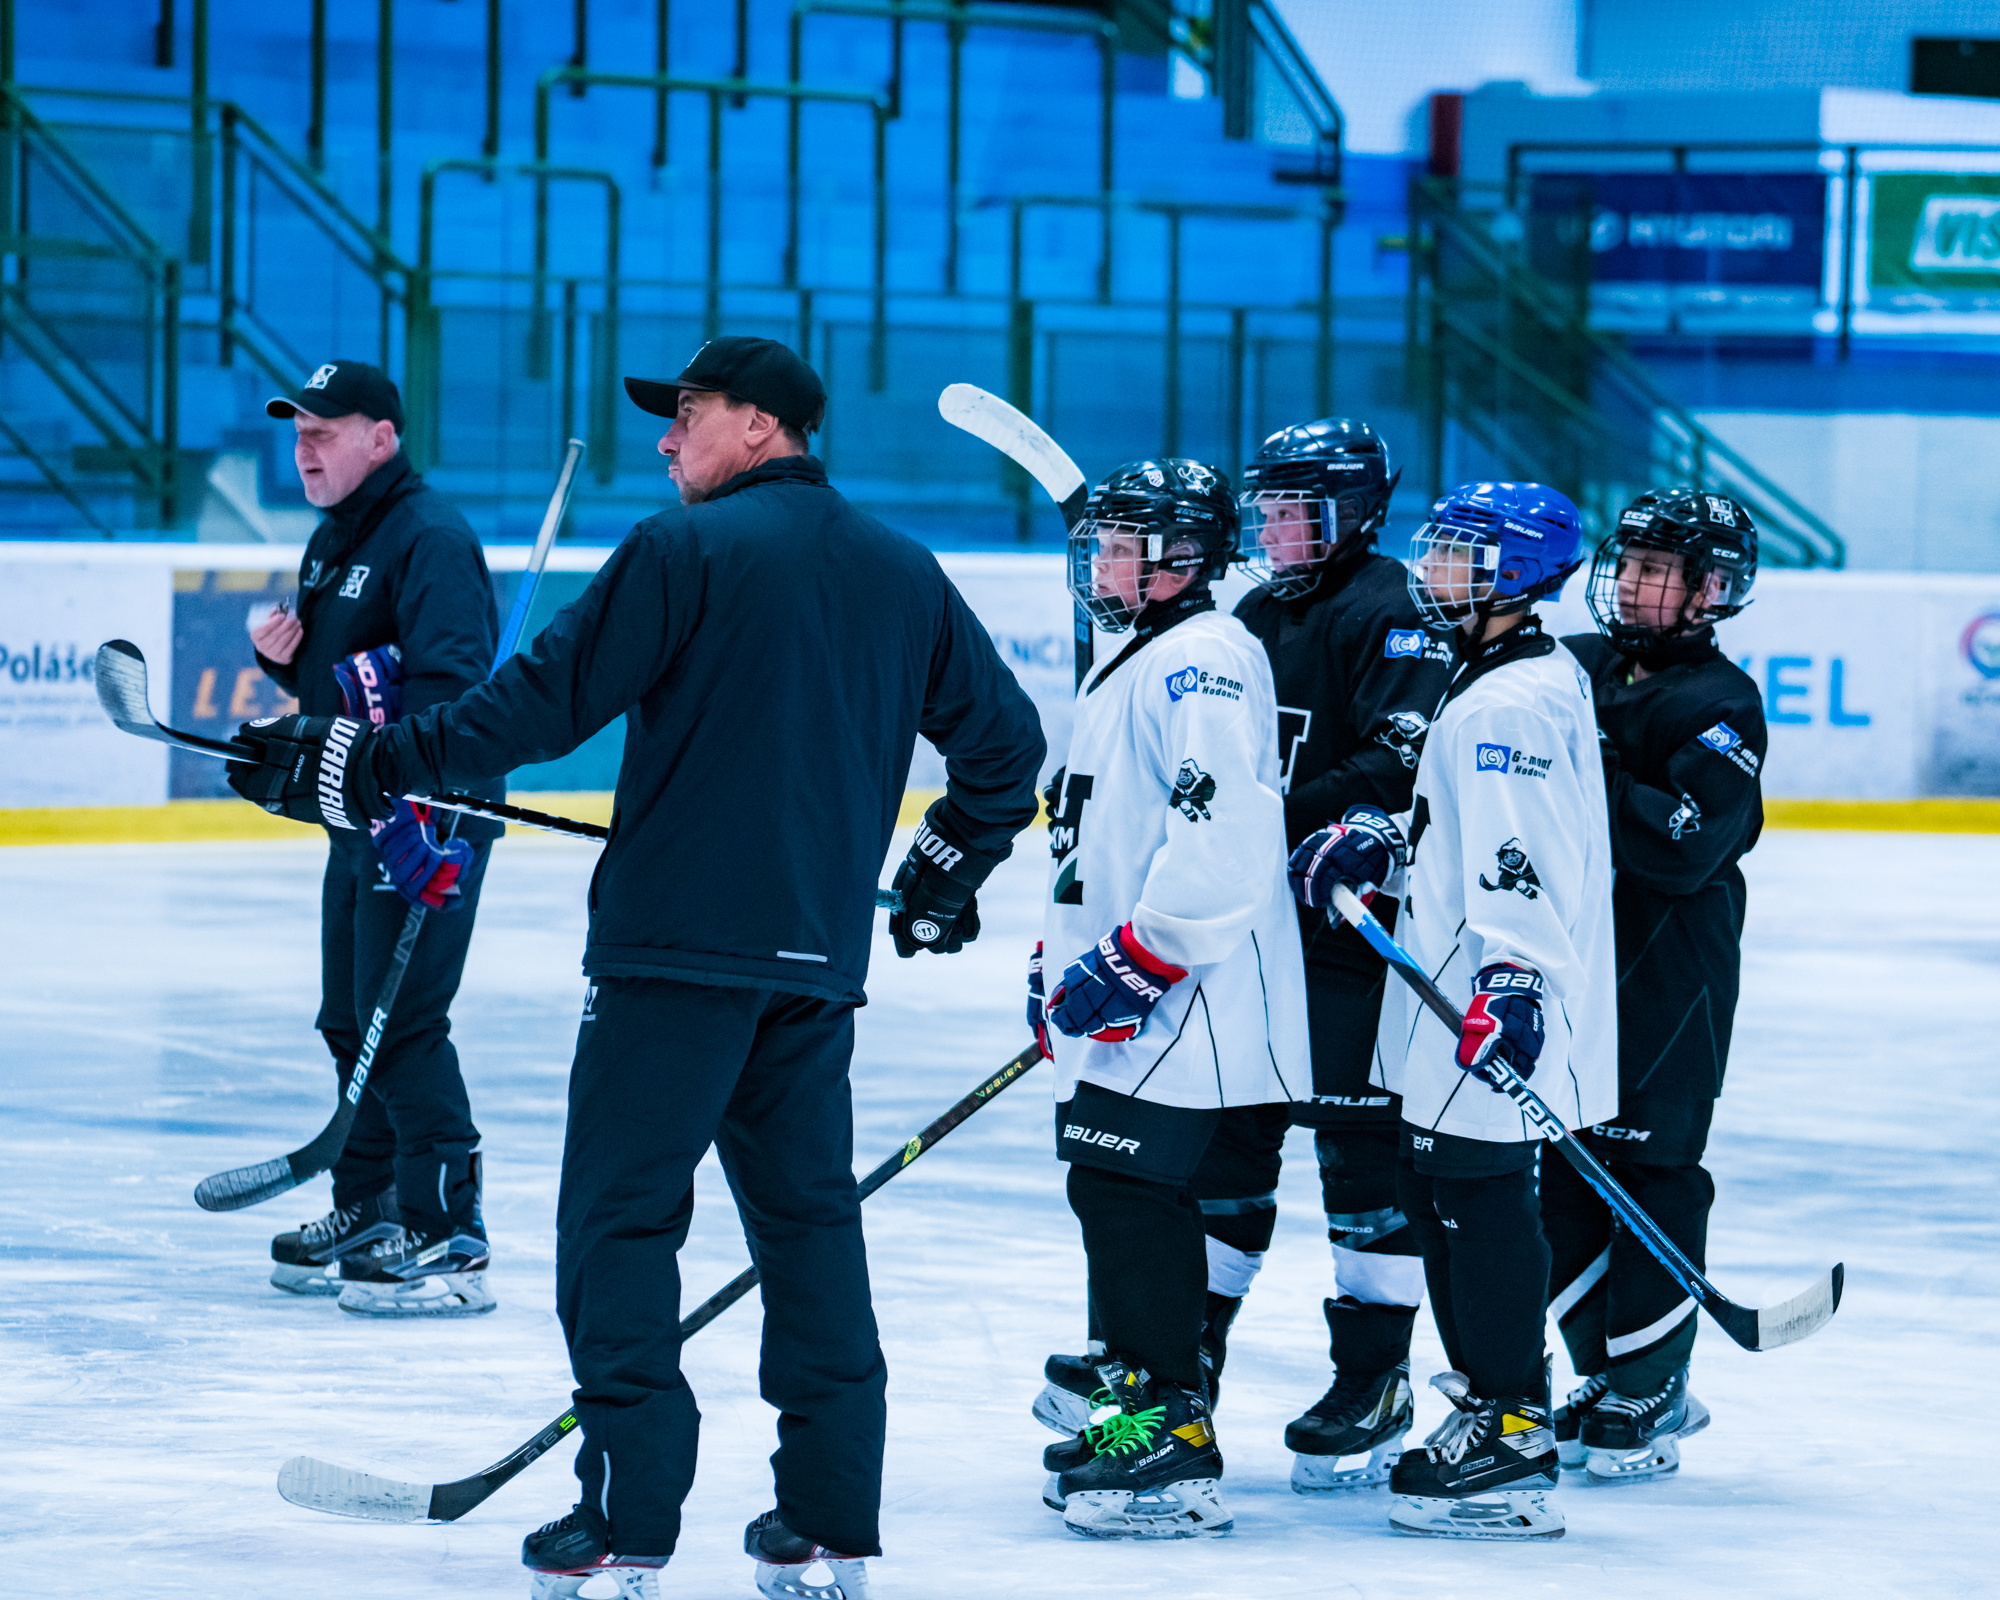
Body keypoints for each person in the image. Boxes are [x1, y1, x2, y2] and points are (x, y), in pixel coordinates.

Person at [224, 335, 1046, 1600]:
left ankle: (625, 1516)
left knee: (618, 1224)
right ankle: (827, 1519)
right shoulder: (903, 569)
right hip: (812, 968)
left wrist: (355, 758)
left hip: (670, 959)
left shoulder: (683, 550)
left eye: (692, 414)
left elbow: (531, 711)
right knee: (809, 1233)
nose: (666, 439)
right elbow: (1007, 748)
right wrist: (949, 863)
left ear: (764, 427)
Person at [1289, 479, 1614, 1541]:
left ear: (1514, 575)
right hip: (1443, 999)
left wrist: (1512, 981)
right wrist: (1386, 837)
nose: (1432, 571)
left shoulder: (1505, 703)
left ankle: (1510, 1421)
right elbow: (1463, 821)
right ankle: (1491, 1397)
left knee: (1477, 1208)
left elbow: (1521, 859)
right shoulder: (1497, 675)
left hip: (1478, 1001)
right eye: (1433, 552)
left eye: (1459, 556)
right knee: (1443, 1201)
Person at [1028, 458, 1307, 1540]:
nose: (1092, 561)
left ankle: (1167, 1437)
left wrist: (1147, 952)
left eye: (1115, 542)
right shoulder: (1139, 654)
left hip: (1185, 996)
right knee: (1112, 1191)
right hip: (1136, 991)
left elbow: (1222, 833)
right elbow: (1093, 837)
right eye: (1092, 540)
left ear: (1177, 557)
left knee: (1126, 1192)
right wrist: (1053, 960)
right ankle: (1134, 1413)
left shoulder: (1201, 659)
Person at [249, 358, 505, 1319]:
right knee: (349, 1021)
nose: (304, 447)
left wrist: (419, 811)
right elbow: (353, 687)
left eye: (324, 430)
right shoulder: (335, 538)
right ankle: (369, 1207)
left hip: (430, 818)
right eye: (298, 432)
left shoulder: (429, 537)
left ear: (381, 439)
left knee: (400, 1026)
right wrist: (281, 671)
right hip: (358, 817)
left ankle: (450, 1229)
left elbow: (452, 687)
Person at [1544, 489, 1764, 1483]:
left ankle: (1654, 1379)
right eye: (1626, 562)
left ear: (1710, 589)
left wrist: (1586, 763)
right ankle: (1602, 1366)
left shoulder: (1720, 702)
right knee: (1561, 1166)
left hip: (1667, 971)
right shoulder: (1577, 664)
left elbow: (1682, 848)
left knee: (1650, 1164)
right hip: (1568, 954)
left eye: (1656, 569)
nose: (1629, 582)